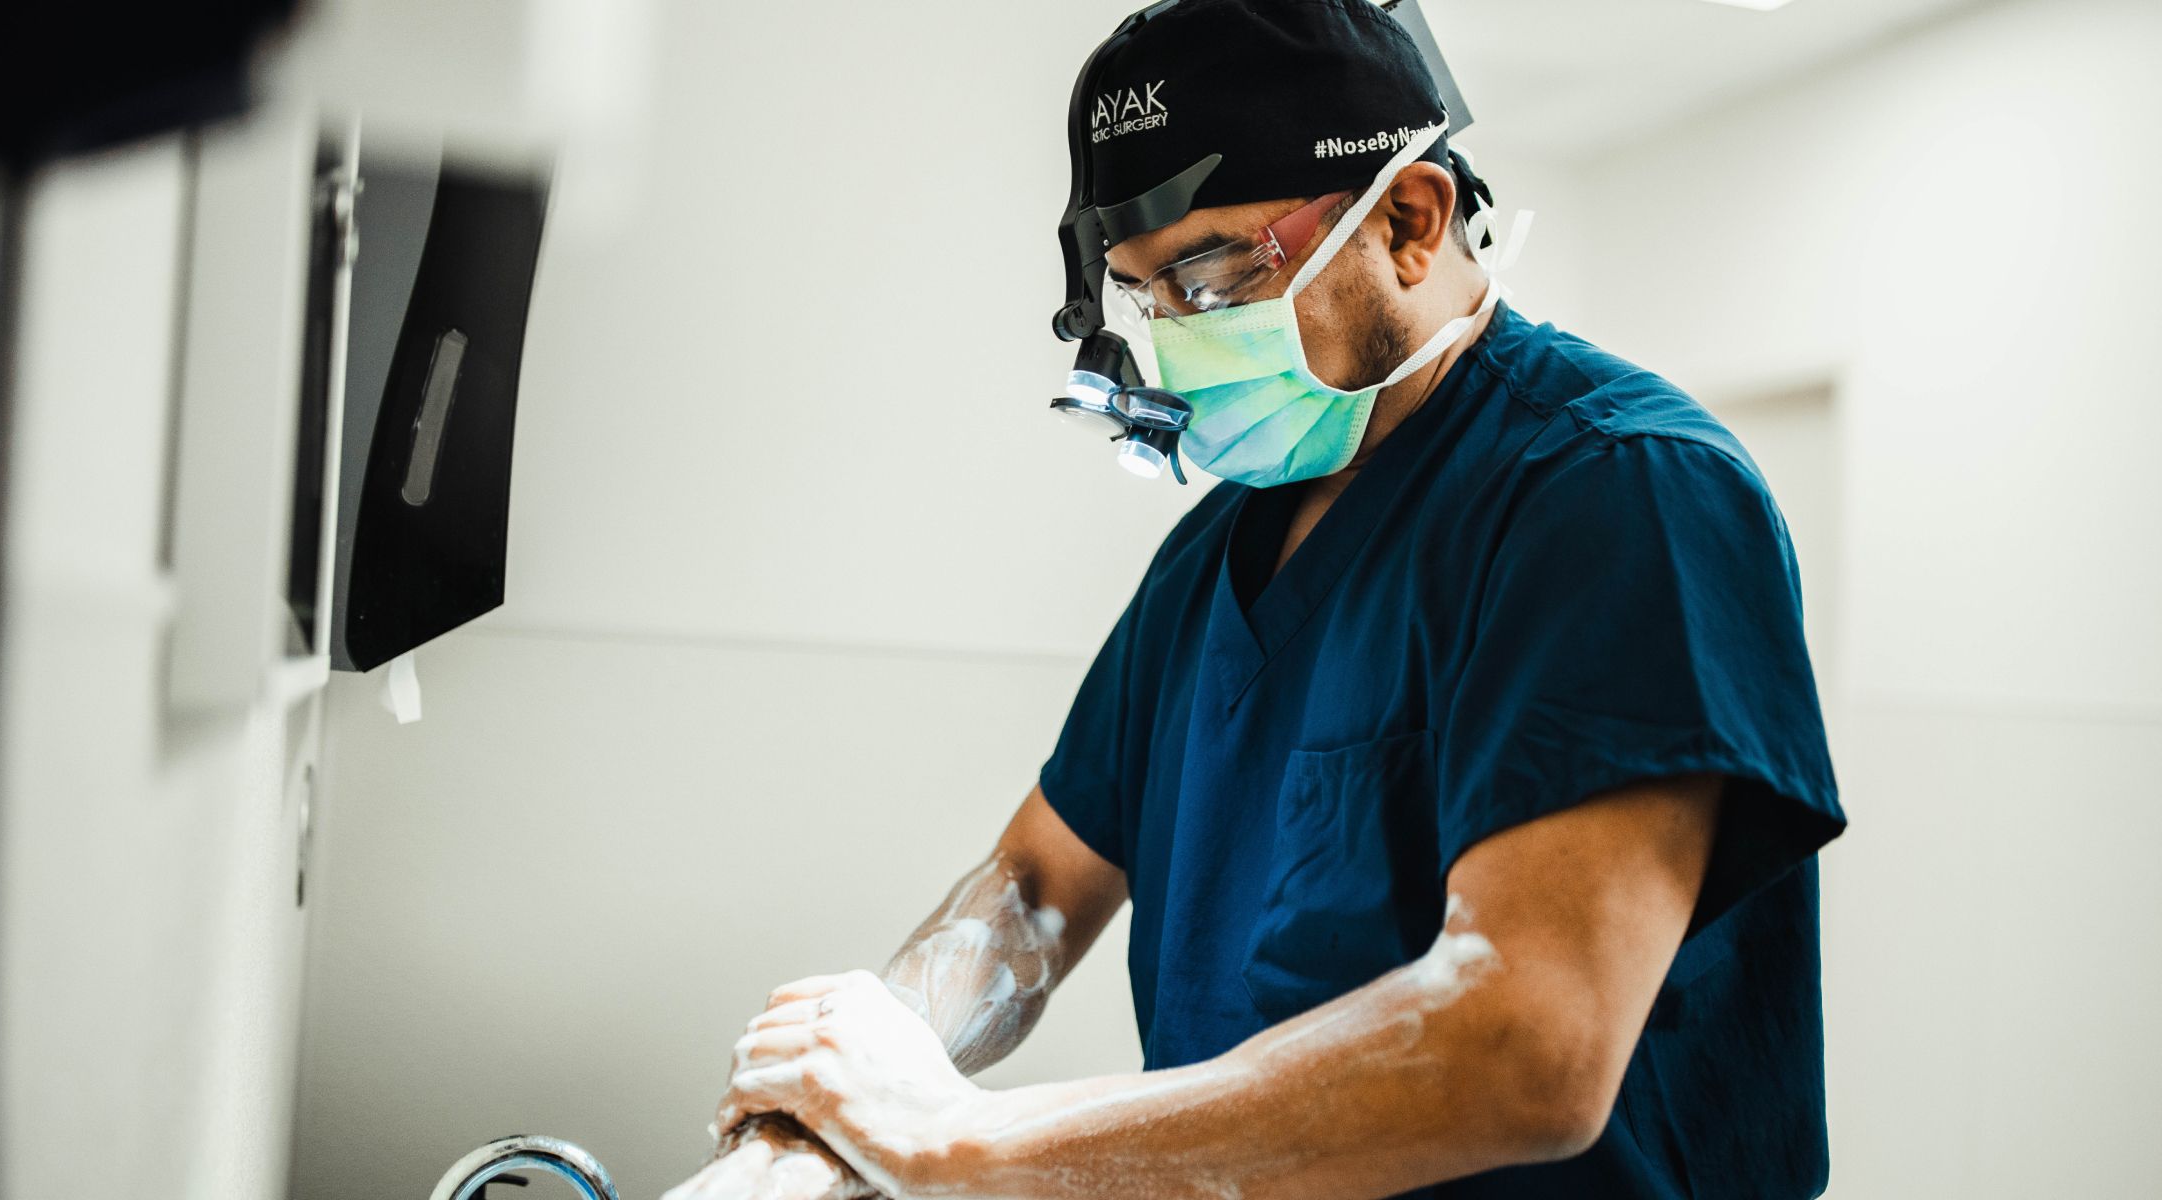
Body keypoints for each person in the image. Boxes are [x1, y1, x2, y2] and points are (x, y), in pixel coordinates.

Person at [666, 2, 1844, 1197]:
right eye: (1144, 295)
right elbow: (1031, 887)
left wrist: (952, 1143)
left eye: (1214, 270)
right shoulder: (1217, 550)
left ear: (1408, 221)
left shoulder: (1618, 494)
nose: (1175, 338)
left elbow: (1523, 1048)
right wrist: (854, 1086)